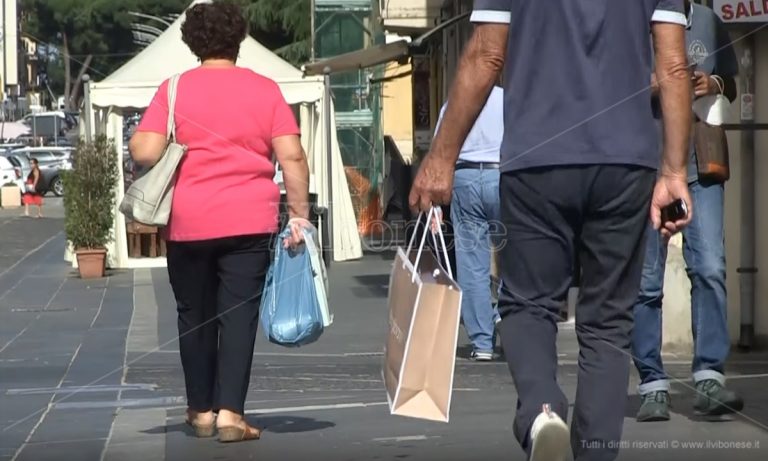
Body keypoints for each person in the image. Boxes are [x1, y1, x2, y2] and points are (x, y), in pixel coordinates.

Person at [409, 1, 693, 460]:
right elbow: (674, 66)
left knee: (528, 304)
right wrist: (675, 171)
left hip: (537, 158)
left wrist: (441, 157)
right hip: (626, 160)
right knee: (608, 324)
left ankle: (542, 411)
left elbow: (486, 55)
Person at [129, 0, 310, 444]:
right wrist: (299, 215)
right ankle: (231, 413)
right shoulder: (265, 90)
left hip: (188, 221)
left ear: (192, 42)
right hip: (250, 220)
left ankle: (200, 411)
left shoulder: (173, 90)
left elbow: (144, 152)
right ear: (239, 39)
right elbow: (292, 156)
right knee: (238, 315)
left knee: (193, 315)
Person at [632, 0, 743, 422]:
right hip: (646, 163)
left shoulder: (707, 21)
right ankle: (652, 385)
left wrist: (711, 82)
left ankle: (710, 378)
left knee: (711, 267)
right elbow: (611, 88)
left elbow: (732, 83)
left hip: (700, 160)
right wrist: (663, 84)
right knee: (645, 279)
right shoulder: (631, 21)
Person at [435, 86, 504, 361]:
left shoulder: (454, 101)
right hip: (502, 175)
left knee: (471, 264)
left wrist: (438, 202)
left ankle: (483, 343)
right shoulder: (507, 99)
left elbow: (441, 150)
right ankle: (508, 318)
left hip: (464, 179)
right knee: (518, 256)